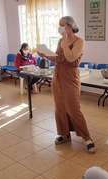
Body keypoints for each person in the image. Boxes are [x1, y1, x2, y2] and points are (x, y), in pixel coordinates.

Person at [39, 16, 96, 153]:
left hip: (70, 77)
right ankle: (64, 134)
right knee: (60, 107)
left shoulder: (79, 41)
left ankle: (87, 137)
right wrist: (45, 55)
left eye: (63, 25)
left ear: (70, 26)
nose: (60, 28)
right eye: (59, 25)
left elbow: (71, 58)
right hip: (57, 76)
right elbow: (59, 58)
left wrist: (65, 41)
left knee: (73, 108)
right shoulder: (60, 41)